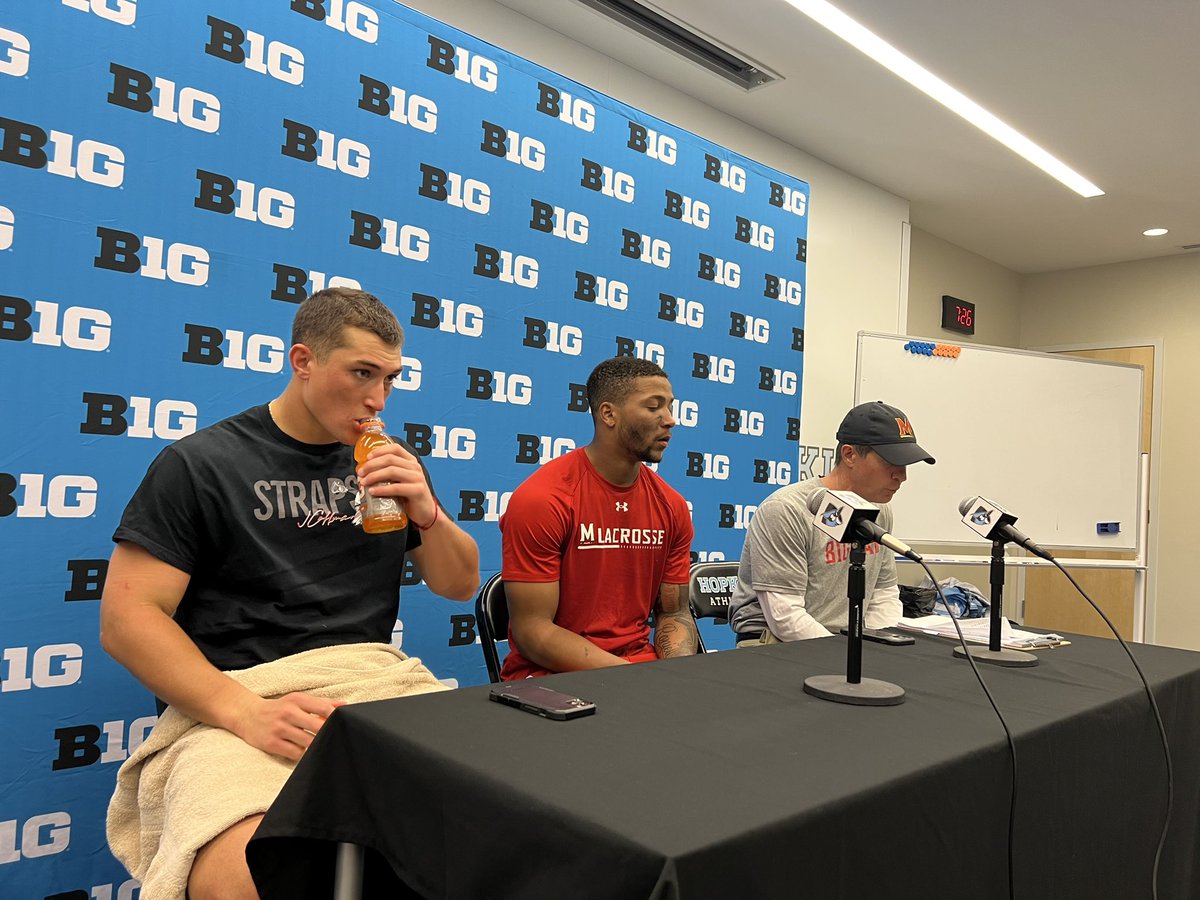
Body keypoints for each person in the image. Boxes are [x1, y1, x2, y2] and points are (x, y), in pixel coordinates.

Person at [100, 287, 479, 900]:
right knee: (242, 876)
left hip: (372, 685)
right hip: (239, 698)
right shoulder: (203, 464)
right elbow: (127, 618)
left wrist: (430, 514)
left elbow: (459, 585)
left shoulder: (387, 463)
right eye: (361, 374)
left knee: (505, 816)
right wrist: (243, 711)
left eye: (390, 379)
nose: (377, 398)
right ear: (303, 361)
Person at [499, 356, 697, 680]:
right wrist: (634, 680)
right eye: (653, 407)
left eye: (670, 407)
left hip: (641, 674)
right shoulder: (543, 500)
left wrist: (676, 677)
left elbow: (674, 612)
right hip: (553, 678)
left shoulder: (671, 505)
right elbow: (533, 633)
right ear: (608, 414)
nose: (670, 420)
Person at [727, 400, 934, 644]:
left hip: (844, 644)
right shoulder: (787, 509)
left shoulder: (879, 510)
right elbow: (785, 616)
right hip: (774, 645)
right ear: (849, 455)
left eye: (905, 465)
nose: (902, 476)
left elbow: (883, 595)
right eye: (891, 463)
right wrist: (842, 655)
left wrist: (877, 647)